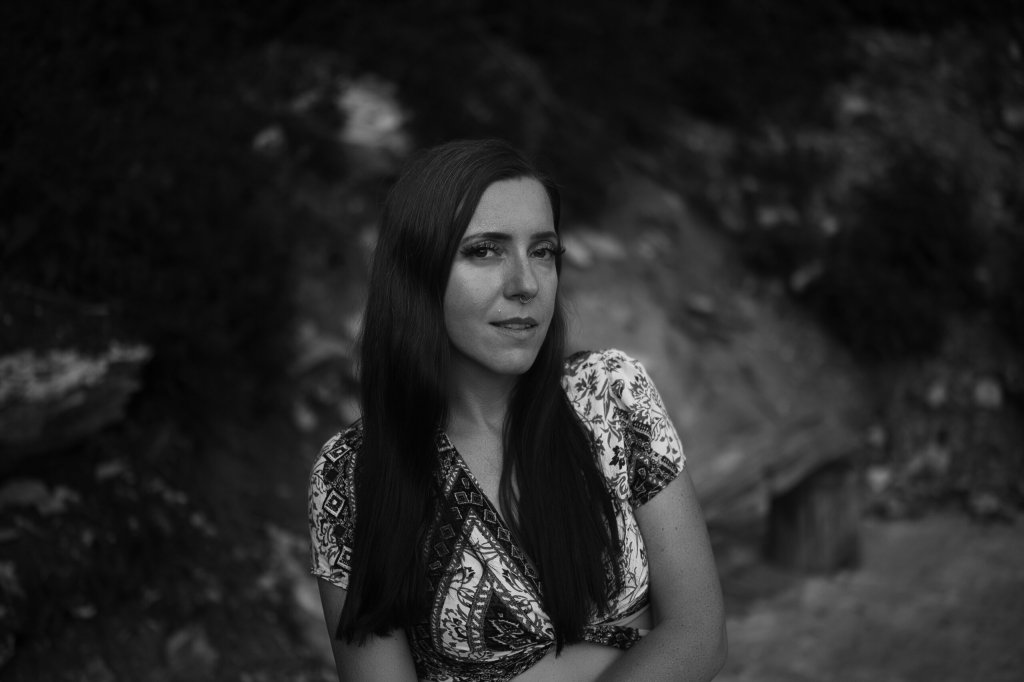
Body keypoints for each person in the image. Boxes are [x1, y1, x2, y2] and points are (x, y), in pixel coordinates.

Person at [308, 138, 727, 681]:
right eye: (485, 250)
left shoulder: (610, 395)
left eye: (543, 251)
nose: (526, 284)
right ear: (417, 269)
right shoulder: (353, 474)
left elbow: (699, 634)